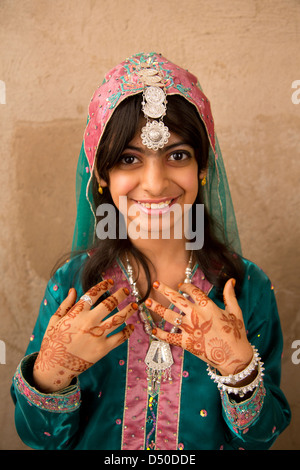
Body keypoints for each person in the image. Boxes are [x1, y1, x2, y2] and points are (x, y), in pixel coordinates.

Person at [11, 52, 291, 450]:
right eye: (129, 159)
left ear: (202, 168)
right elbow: (37, 438)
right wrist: (51, 374)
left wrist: (239, 371)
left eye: (177, 155)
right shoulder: (74, 284)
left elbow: (262, 437)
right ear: (102, 176)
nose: (155, 184)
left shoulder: (245, 288)